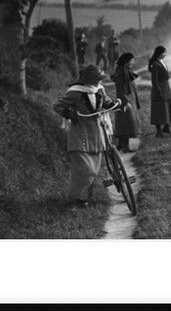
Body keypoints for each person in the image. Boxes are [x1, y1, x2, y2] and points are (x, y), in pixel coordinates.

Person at [52, 64, 123, 207]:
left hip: (97, 132)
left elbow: (107, 103)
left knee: (94, 169)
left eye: (99, 79)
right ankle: (78, 197)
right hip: (80, 132)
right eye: (96, 79)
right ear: (88, 80)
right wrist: (71, 115)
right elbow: (58, 106)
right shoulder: (75, 92)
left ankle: (84, 198)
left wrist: (114, 104)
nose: (99, 82)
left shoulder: (100, 89)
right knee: (85, 168)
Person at [112, 52, 141, 152]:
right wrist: (125, 102)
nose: (133, 63)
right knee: (126, 123)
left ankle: (123, 145)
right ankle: (123, 146)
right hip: (125, 100)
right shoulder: (121, 72)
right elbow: (120, 90)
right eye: (131, 61)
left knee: (127, 124)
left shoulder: (126, 70)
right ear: (125, 61)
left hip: (129, 99)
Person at [148, 45, 171, 138]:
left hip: (166, 88)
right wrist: (158, 90)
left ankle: (167, 128)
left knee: (168, 108)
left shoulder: (161, 62)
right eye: (164, 53)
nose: (165, 54)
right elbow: (154, 80)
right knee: (158, 111)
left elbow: (164, 74)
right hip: (159, 89)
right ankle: (158, 132)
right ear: (159, 53)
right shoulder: (156, 64)